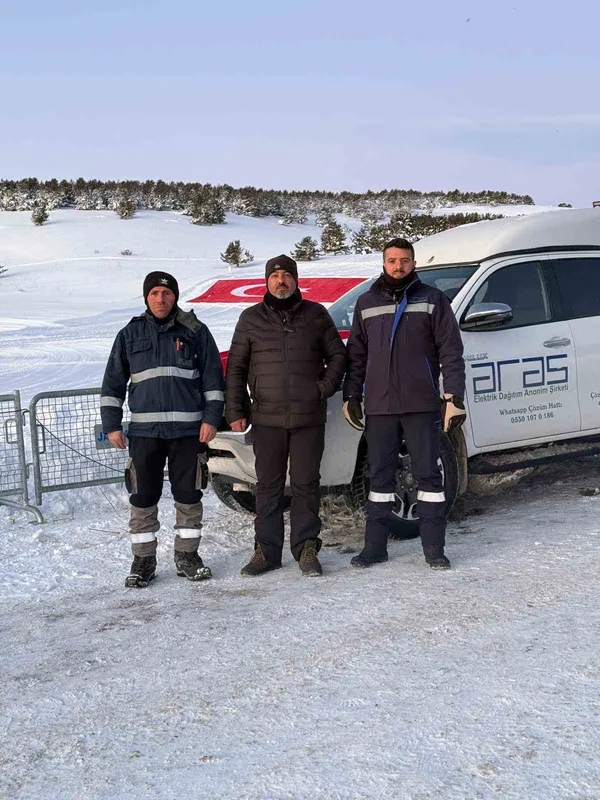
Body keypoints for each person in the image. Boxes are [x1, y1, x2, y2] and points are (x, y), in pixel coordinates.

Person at [342, 238, 466, 570]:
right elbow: (357, 355)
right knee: (379, 478)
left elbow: (451, 351)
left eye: (405, 260)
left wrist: (453, 396)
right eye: (393, 261)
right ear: (384, 263)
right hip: (380, 407)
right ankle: (374, 547)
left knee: (428, 478)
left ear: (414, 263)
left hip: (421, 404)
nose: (399, 266)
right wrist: (351, 395)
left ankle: (434, 549)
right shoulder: (366, 302)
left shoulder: (433, 299)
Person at [101, 271, 225, 587]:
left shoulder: (195, 331)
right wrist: (112, 425)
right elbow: (113, 383)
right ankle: (143, 560)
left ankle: (187, 556)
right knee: (142, 496)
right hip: (144, 434)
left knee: (189, 495)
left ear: (175, 297)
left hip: (188, 433)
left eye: (167, 293)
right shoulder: (130, 334)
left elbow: (213, 378)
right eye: (155, 293)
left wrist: (212, 418)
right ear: (147, 297)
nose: (161, 298)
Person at [225, 255, 346, 577]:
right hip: (267, 418)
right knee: (268, 486)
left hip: (308, 417)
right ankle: (266, 552)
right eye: (275, 276)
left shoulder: (316, 314)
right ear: (267, 281)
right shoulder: (250, 318)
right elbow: (236, 367)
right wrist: (235, 409)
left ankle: (306, 548)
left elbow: (338, 356)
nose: (281, 281)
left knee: (306, 484)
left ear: (296, 280)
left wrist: (323, 389)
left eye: (287, 275)